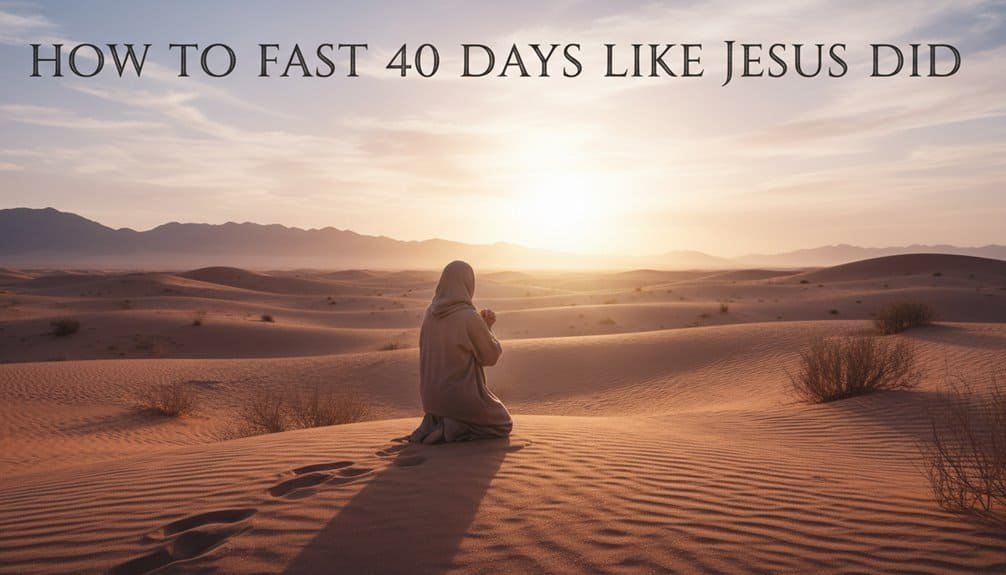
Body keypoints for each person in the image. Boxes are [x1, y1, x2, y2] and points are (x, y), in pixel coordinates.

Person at [409, 260, 512, 444]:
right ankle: (455, 427)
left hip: (431, 402)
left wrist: (482, 327)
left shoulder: (429, 314)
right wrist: (487, 328)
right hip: (458, 398)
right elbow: (490, 357)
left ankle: (436, 424)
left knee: (446, 411)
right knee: (503, 423)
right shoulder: (468, 317)